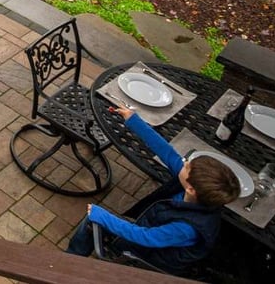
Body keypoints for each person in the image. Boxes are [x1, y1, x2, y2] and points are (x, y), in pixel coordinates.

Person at [65, 106, 241, 274]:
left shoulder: (187, 228)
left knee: (91, 221)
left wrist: (102, 216)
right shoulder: (196, 191)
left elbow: (145, 237)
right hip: (150, 228)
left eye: (187, 166)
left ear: (191, 189)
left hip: (147, 258)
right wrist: (133, 120)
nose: (184, 162)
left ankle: (66, 264)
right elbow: (166, 151)